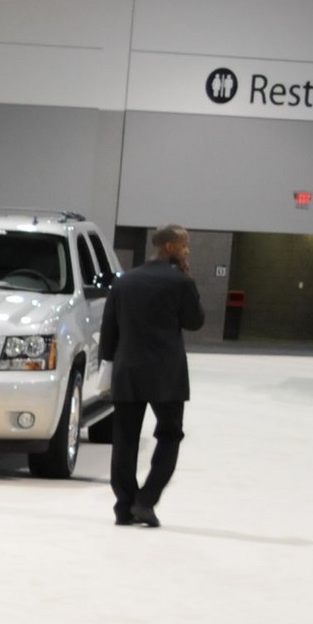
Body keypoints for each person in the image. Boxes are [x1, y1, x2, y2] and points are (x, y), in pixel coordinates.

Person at [100, 222, 205, 528]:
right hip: (166, 374)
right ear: (170, 247)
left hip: (128, 370)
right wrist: (187, 280)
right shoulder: (180, 282)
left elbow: (109, 328)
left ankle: (124, 506)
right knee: (170, 435)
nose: (187, 250)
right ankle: (145, 501)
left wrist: (109, 365)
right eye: (184, 244)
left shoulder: (124, 282)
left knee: (125, 440)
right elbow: (195, 321)